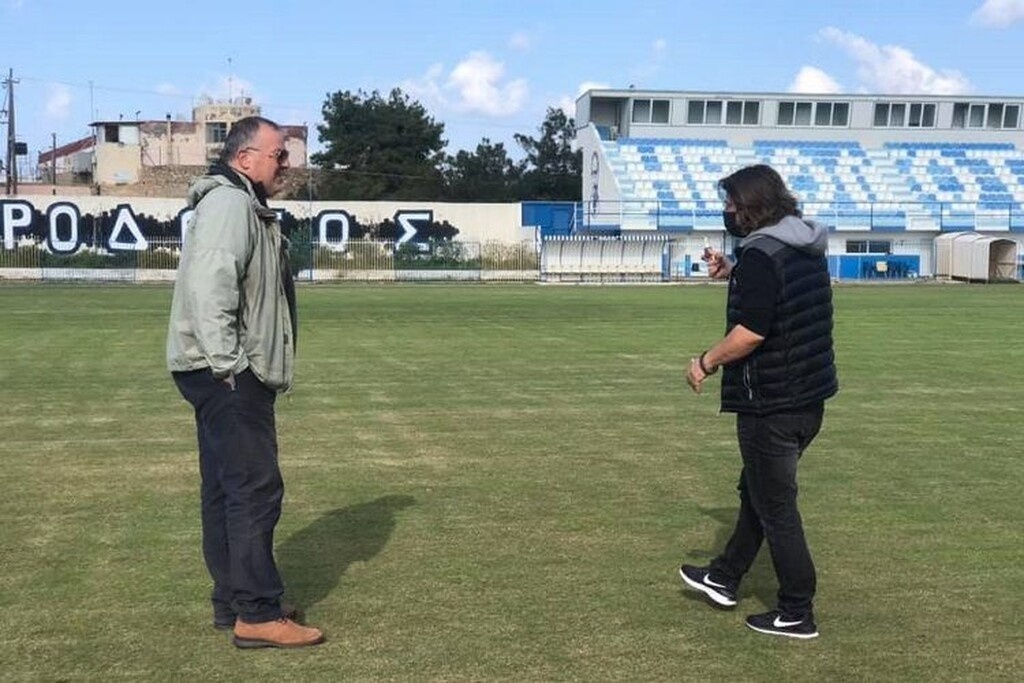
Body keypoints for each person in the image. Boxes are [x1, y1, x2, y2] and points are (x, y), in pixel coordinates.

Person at [166, 116, 323, 649]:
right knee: (255, 489)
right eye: (279, 154)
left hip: (215, 369)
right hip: (228, 372)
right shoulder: (232, 205)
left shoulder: (237, 203)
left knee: (226, 487)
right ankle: (256, 613)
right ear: (244, 158)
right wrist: (229, 364)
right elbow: (212, 286)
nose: (286, 164)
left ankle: (235, 600)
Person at [679, 164, 838, 640]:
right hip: (809, 397)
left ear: (751, 207)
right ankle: (725, 576)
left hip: (772, 401)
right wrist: (734, 273)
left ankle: (796, 610)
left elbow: (751, 333)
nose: (726, 212)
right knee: (758, 494)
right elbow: (779, 297)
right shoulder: (799, 245)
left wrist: (705, 362)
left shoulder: (763, 255)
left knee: (775, 505)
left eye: (730, 204)